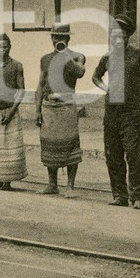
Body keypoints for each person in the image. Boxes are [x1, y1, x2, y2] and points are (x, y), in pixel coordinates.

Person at [92, 14, 140, 209]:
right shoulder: (107, 57)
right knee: (113, 154)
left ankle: (137, 196)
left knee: (133, 154)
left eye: (122, 34)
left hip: (131, 112)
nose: (118, 38)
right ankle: (119, 195)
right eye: (115, 34)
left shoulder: (138, 55)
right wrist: (105, 88)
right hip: (111, 112)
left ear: (128, 36)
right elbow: (95, 77)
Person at [36, 23, 86, 197]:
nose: (58, 40)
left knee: (70, 144)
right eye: (55, 37)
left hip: (66, 106)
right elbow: (41, 85)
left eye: (62, 37)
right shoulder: (45, 59)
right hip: (49, 106)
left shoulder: (77, 56)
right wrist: (37, 110)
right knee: (49, 145)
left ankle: (70, 186)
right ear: (51, 38)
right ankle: (52, 184)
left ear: (68, 39)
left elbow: (80, 72)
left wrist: (65, 56)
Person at [0, 33, 26, 190]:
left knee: (9, 148)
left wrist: (12, 112)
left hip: (9, 112)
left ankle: (7, 182)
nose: (1, 49)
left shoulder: (17, 66)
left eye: (5, 46)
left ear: (10, 47)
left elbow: (21, 90)